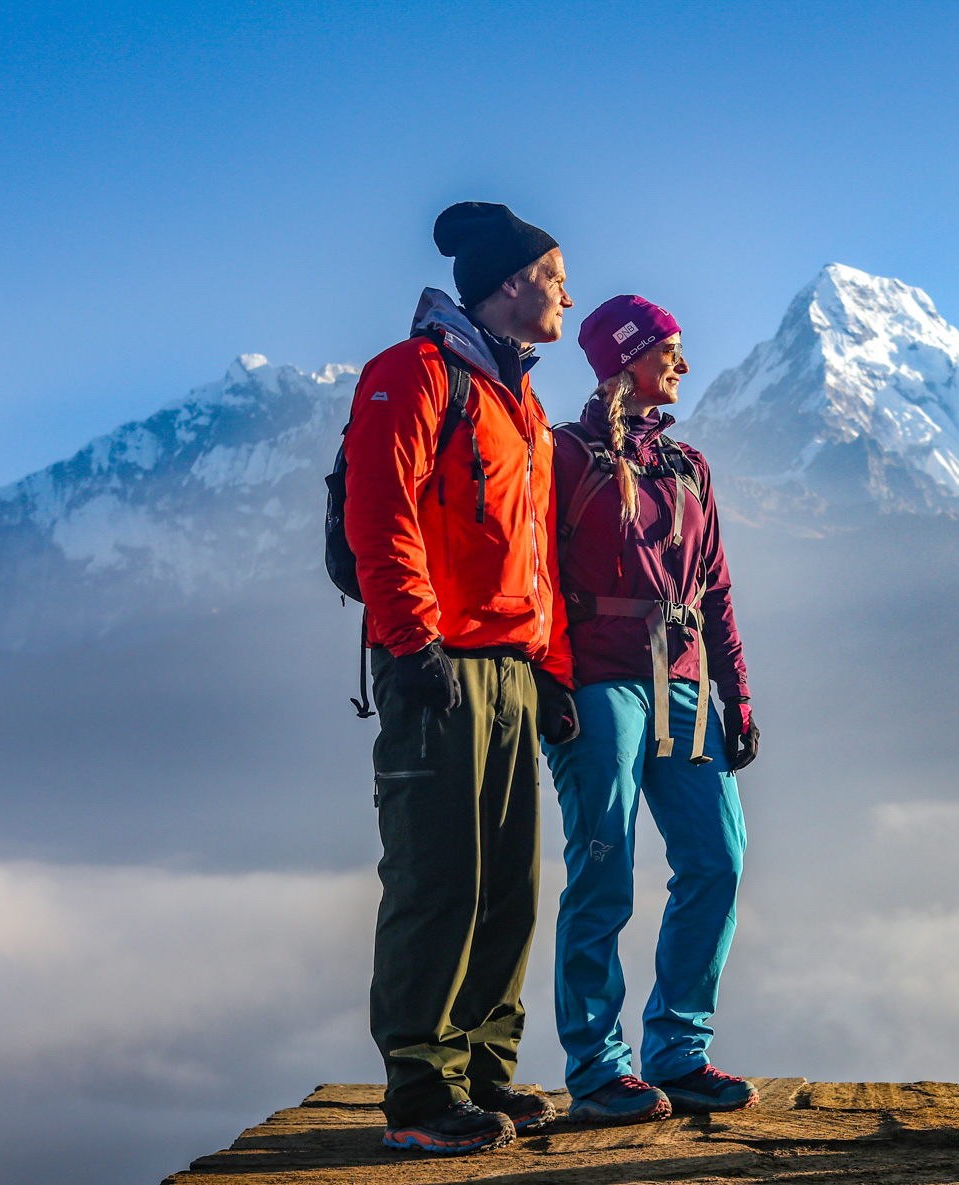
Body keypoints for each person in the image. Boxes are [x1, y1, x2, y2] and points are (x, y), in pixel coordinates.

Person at [343, 201, 581, 1155]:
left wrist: (552, 668)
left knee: (507, 887)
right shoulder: (412, 377)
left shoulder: (520, 404)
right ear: (512, 282)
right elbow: (380, 515)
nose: (569, 290)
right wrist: (411, 644)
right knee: (437, 877)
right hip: (436, 666)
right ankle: (420, 1089)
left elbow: (538, 554)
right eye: (558, 274)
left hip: (512, 673)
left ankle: (484, 1068)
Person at [545, 294, 761, 1124]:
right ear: (626, 358)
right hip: (597, 681)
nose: (681, 363)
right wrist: (553, 683)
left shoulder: (687, 464)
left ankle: (677, 1049)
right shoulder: (562, 456)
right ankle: (599, 1066)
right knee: (603, 869)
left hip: (682, 680)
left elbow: (716, 589)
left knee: (719, 858)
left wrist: (733, 694)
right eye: (669, 348)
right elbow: (542, 575)